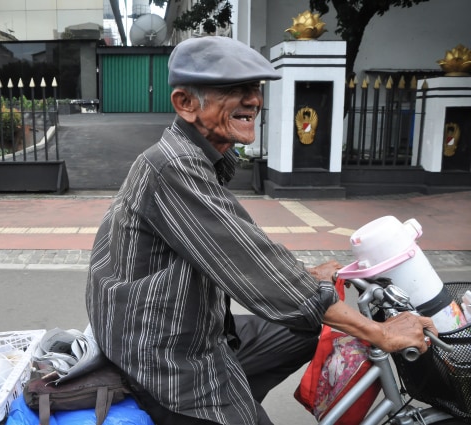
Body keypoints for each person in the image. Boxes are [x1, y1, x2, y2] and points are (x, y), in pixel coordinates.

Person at [85, 36, 436, 425]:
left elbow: (250, 251)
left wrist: (304, 278)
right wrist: (378, 332)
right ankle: (226, 408)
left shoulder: (200, 159)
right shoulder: (174, 168)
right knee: (296, 326)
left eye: (254, 88)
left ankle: (237, 395)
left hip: (188, 327)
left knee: (304, 330)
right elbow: (254, 271)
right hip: (164, 357)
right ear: (185, 104)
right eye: (233, 89)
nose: (253, 100)